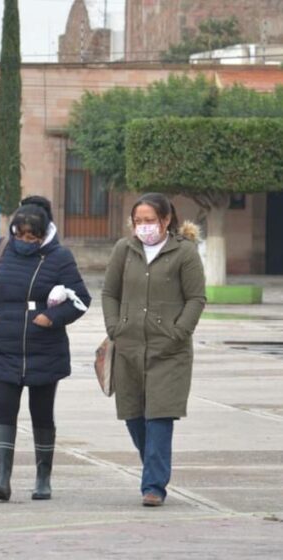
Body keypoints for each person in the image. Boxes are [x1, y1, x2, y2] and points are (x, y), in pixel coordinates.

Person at [0, 202, 91, 501]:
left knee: (41, 414)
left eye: (32, 237)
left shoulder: (60, 257)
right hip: (4, 344)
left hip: (44, 348)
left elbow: (81, 299)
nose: (25, 241)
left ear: (43, 234)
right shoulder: (0, 249)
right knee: (4, 413)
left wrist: (51, 317)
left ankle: (43, 478)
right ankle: (2, 479)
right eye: (20, 235)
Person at [101, 192, 205, 507]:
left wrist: (179, 331)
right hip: (129, 347)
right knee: (133, 415)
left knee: (159, 416)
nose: (144, 227)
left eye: (150, 220)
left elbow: (196, 298)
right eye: (138, 221)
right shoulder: (124, 249)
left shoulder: (184, 252)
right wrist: (114, 327)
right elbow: (109, 292)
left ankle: (154, 486)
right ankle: (153, 466)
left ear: (166, 220)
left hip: (168, 351)